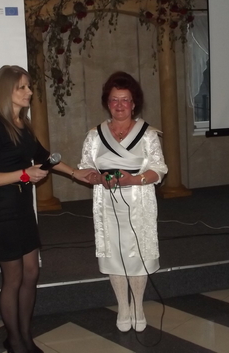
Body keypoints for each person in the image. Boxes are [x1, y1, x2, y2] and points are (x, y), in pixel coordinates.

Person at [0, 65, 95, 353]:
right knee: (13, 279)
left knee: (31, 273)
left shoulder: (23, 124)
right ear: (6, 91)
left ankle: (25, 335)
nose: (29, 91)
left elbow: (44, 157)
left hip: (23, 209)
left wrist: (75, 173)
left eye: (29, 86)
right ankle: (15, 342)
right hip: (4, 211)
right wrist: (24, 174)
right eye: (22, 87)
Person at [78, 71, 168, 333]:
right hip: (107, 204)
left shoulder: (148, 134)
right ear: (107, 103)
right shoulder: (95, 136)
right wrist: (98, 178)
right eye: (114, 100)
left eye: (125, 99)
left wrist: (134, 180)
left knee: (137, 254)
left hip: (139, 202)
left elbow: (159, 168)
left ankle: (138, 306)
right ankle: (123, 307)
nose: (120, 105)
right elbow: (85, 168)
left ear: (134, 103)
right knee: (114, 256)